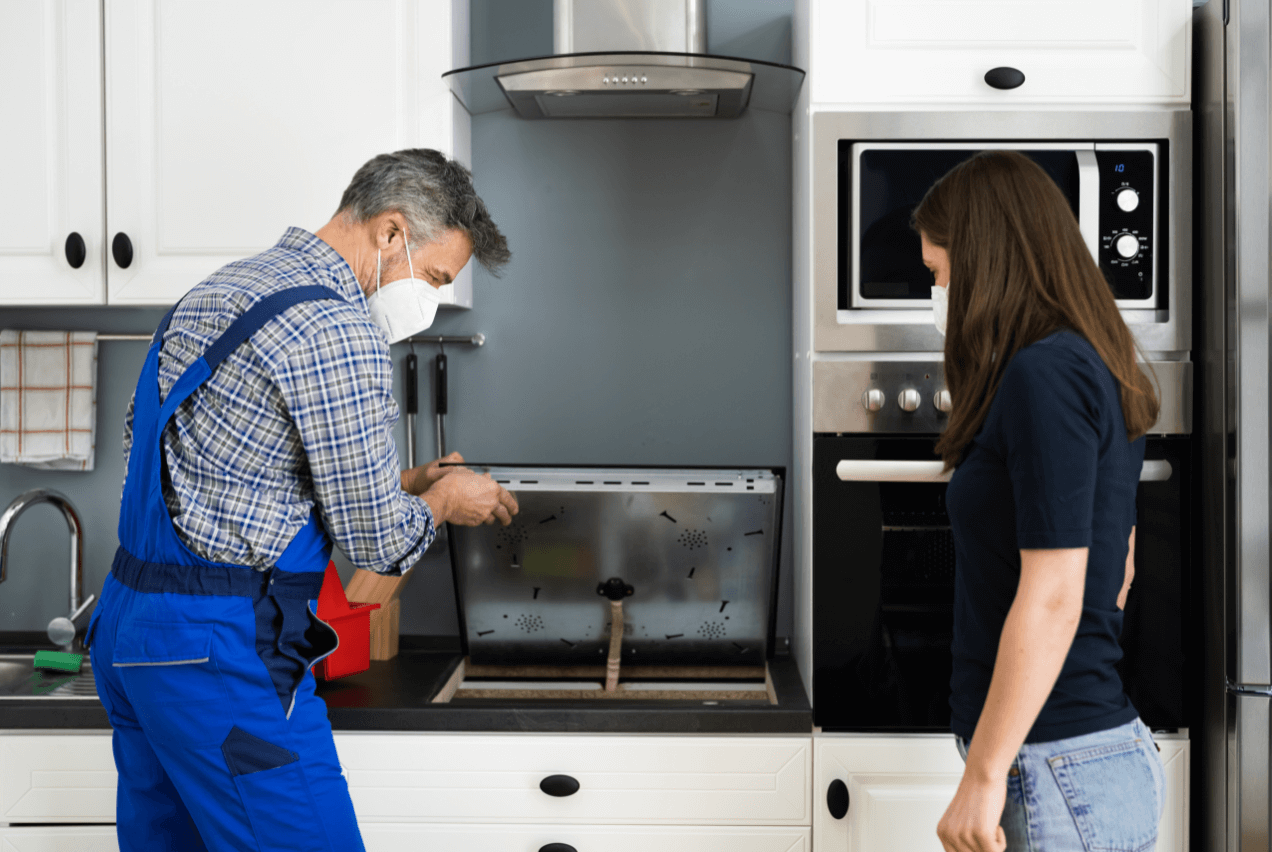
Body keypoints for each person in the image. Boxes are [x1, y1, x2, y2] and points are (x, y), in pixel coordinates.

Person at [86, 148, 520, 851]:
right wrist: (444, 502)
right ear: (389, 233)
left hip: (131, 636)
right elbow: (382, 545)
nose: (431, 297)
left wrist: (402, 481)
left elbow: (206, 467)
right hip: (215, 656)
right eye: (435, 276)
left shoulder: (220, 290)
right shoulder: (337, 329)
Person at [913, 151, 1166, 852]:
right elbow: (1118, 567)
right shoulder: (1092, 361)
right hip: (1081, 759)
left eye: (938, 273)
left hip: (1054, 766)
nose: (938, 292)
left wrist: (986, 774)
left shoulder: (1043, 375)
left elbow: (1058, 592)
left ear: (984, 259)